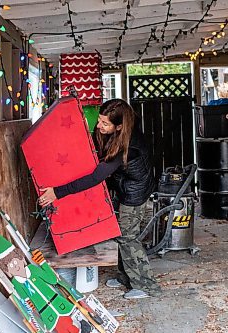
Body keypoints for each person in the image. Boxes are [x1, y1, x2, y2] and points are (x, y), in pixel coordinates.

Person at [39, 98, 161, 299]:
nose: (99, 125)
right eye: (100, 120)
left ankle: (147, 286)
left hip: (134, 194)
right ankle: (126, 277)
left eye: (105, 123)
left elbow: (95, 177)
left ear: (119, 126)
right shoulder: (121, 131)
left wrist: (57, 192)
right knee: (122, 234)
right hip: (126, 187)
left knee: (128, 237)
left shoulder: (127, 146)